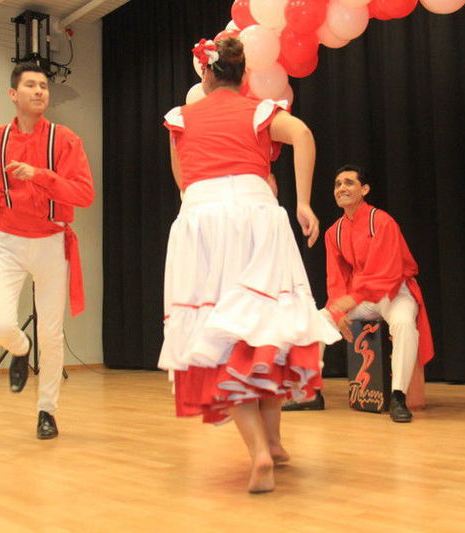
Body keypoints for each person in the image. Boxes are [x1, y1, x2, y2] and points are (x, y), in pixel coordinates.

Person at [158, 37, 340, 494]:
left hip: (202, 220)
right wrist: (302, 202)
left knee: (223, 338)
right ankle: (270, 442)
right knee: (266, 331)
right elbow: (303, 134)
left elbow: (183, 181)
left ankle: (263, 448)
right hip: (257, 215)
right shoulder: (258, 110)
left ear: (205, 73)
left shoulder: (180, 118)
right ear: (243, 77)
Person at [0, 63, 94, 439]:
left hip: (52, 241)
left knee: (52, 333)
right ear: (14, 94)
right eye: (30, 85)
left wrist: (40, 175)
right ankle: (20, 348)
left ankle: (47, 411)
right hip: (8, 242)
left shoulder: (64, 140)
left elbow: (84, 194)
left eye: (44, 85)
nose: (39, 91)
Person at [298, 164, 433, 422]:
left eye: (349, 182)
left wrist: (354, 298)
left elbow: (389, 272)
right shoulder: (334, 232)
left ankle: (398, 397)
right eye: (338, 184)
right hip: (363, 297)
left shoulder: (382, 221)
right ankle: (311, 393)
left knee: (404, 324)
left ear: (365, 189)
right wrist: (338, 313)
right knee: (317, 320)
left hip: (394, 293)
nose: (342, 188)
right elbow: (336, 279)